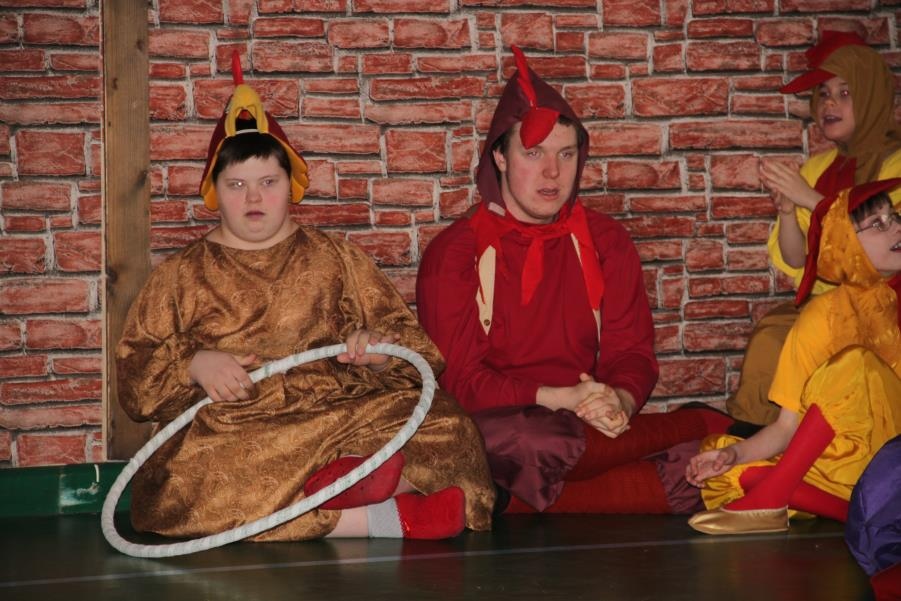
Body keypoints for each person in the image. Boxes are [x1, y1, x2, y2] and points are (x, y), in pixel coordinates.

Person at [116, 59, 494, 542]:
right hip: (240, 425)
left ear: (290, 184)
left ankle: (352, 475)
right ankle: (381, 514)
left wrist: (378, 353)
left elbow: (416, 350)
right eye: (237, 185)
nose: (254, 198)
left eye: (268, 182)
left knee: (449, 427)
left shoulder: (335, 256)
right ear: (215, 190)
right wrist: (194, 364)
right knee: (199, 473)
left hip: (344, 409)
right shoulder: (180, 275)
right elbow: (136, 378)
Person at [416, 47, 732, 515]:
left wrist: (617, 401)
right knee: (528, 439)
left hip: (585, 421)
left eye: (566, 154)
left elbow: (632, 353)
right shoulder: (455, 253)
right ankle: (697, 425)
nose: (553, 172)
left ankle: (502, 503)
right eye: (534, 153)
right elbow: (461, 383)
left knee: (706, 470)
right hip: (504, 427)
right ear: (499, 157)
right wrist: (558, 398)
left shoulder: (605, 240)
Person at [686, 178, 901, 535]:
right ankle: (850, 513)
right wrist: (734, 456)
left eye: (894, 217)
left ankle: (773, 497)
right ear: (845, 243)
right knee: (726, 466)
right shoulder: (822, 315)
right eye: (877, 224)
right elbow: (787, 427)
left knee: (855, 364)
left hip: (894, 458)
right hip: (851, 465)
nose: (895, 227)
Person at [730, 29, 901, 426]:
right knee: (771, 337)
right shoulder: (818, 168)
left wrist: (811, 199)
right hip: (825, 307)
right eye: (823, 94)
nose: (829, 104)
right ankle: (757, 438)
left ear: (871, 95)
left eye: (845, 92)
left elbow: (879, 253)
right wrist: (789, 211)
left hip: (886, 309)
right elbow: (796, 260)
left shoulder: (895, 164)